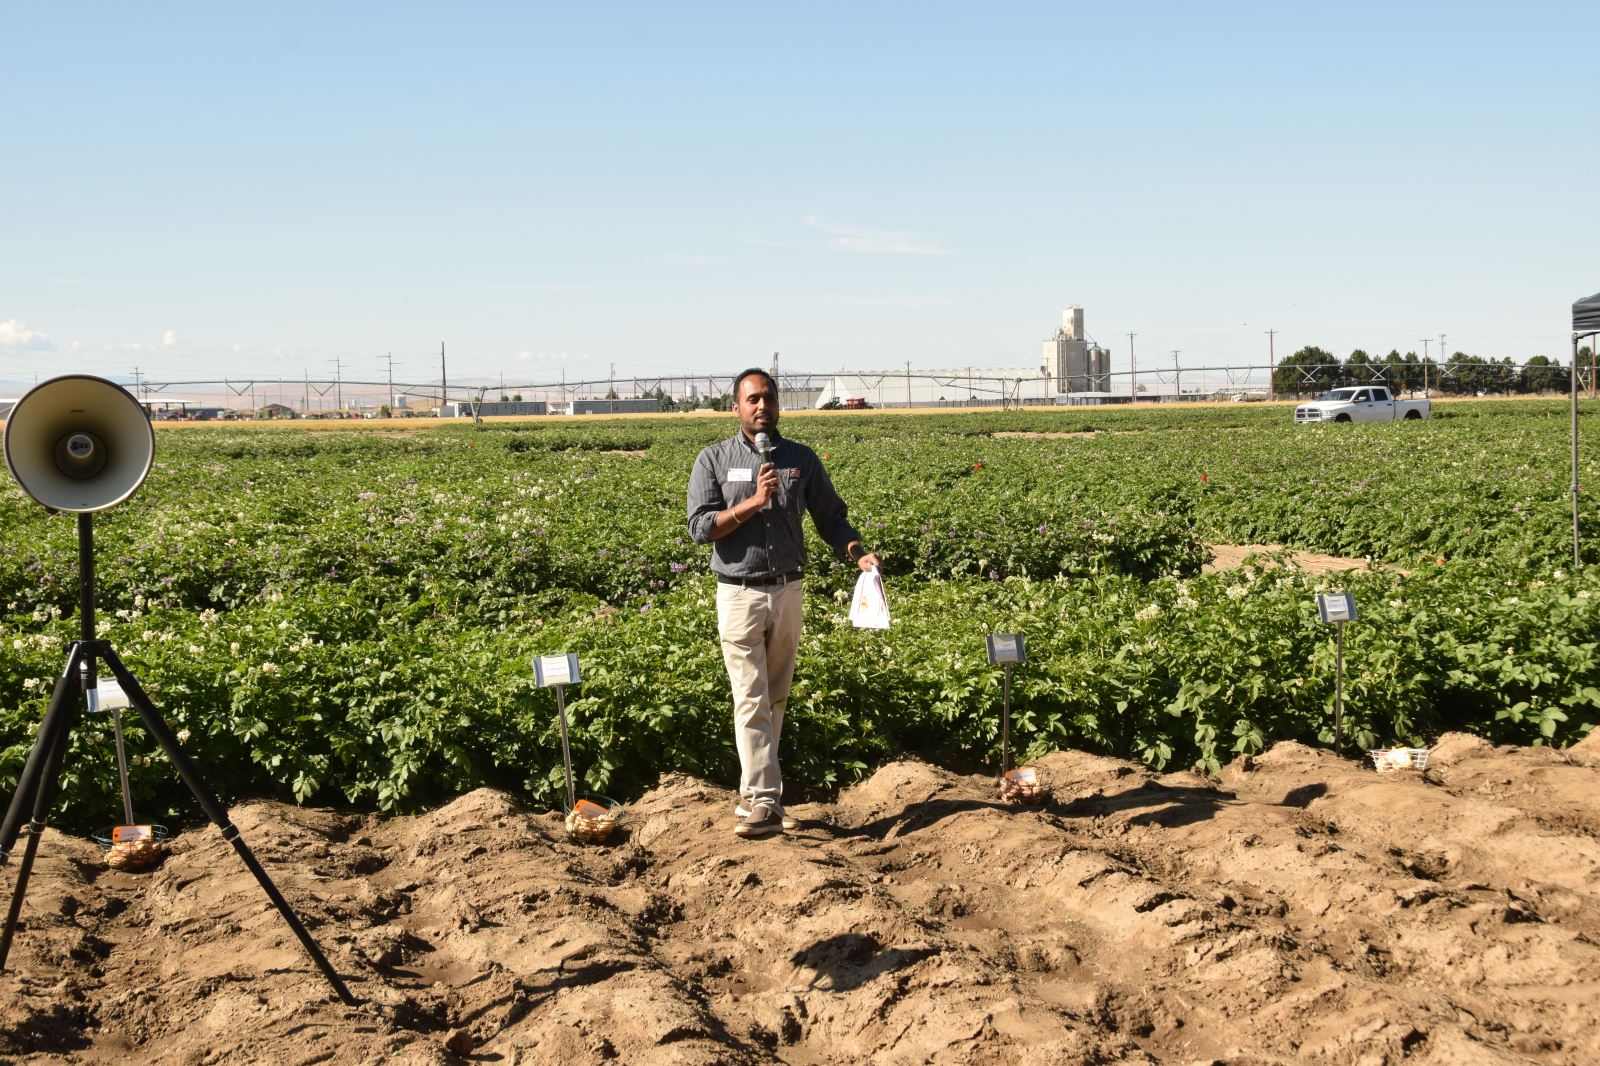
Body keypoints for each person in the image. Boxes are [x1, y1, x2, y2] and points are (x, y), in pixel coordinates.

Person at [687, 368, 881, 838]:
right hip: (738, 593)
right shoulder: (712, 460)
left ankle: (754, 793)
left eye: (768, 399)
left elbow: (830, 517)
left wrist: (857, 553)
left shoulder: (800, 459)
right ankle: (768, 804)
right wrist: (754, 502)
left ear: (778, 405)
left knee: (775, 697)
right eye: (751, 399)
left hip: (788, 589)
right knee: (750, 696)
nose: (761, 407)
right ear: (735, 408)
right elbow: (699, 528)